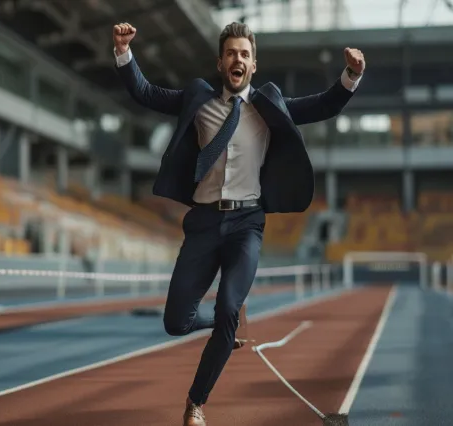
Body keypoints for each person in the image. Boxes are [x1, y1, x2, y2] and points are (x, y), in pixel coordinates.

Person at [112, 21, 365, 426]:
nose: (238, 59)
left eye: (244, 54)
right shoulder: (198, 98)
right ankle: (226, 321)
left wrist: (351, 75)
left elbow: (322, 106)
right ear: (220, 62)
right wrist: (124, 51)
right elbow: (145, 92)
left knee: (229, 306)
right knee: (176, 322)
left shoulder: (269, 105)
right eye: (231, 53)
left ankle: (196, 403)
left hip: (247, 222)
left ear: (254, 65)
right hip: (204, 222)